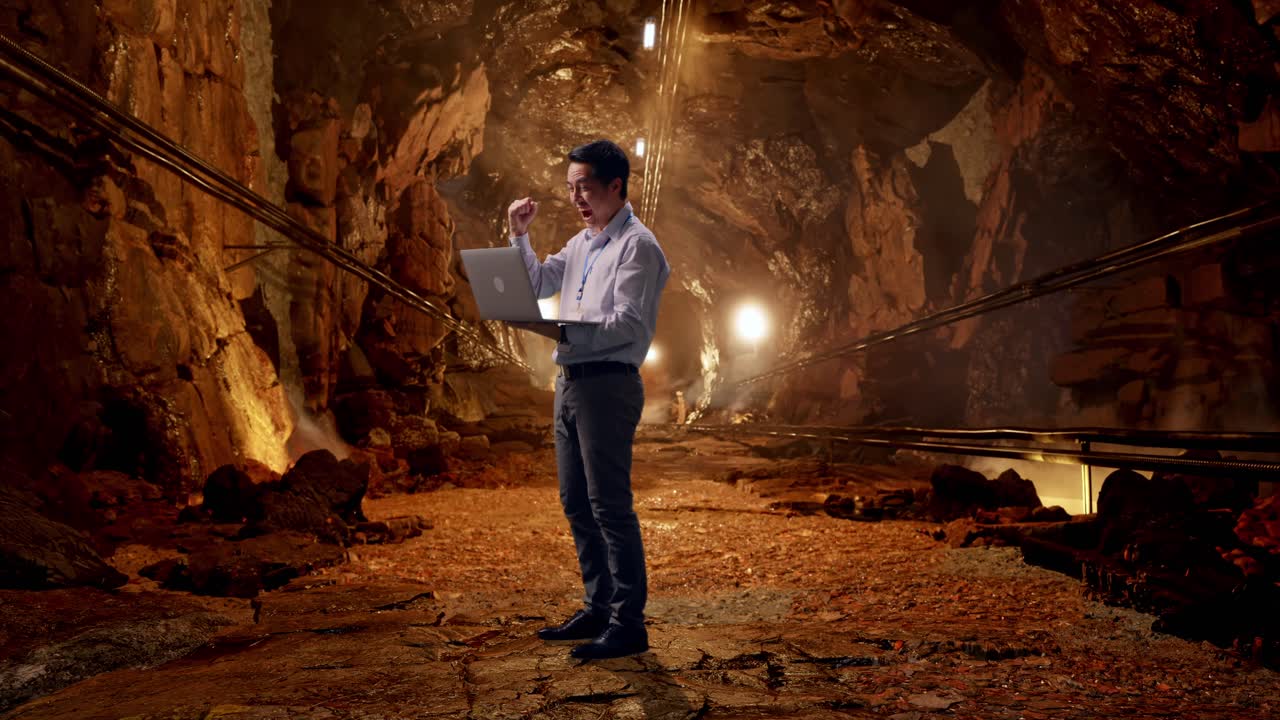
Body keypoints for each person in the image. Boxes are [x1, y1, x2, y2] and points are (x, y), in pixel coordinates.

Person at [505, 139, 670, 659]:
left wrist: (563, 333)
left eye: (586, 187)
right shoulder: (581, 244)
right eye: (571, 187)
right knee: (576, 502)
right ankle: (599, 607)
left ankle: (628, 623)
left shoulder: (637, 246)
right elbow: (535, 285)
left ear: (615, 186)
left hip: (608, 383)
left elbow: (628, 323)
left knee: (609, 506)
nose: (576, 196)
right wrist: (519, 237)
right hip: (572, 382)